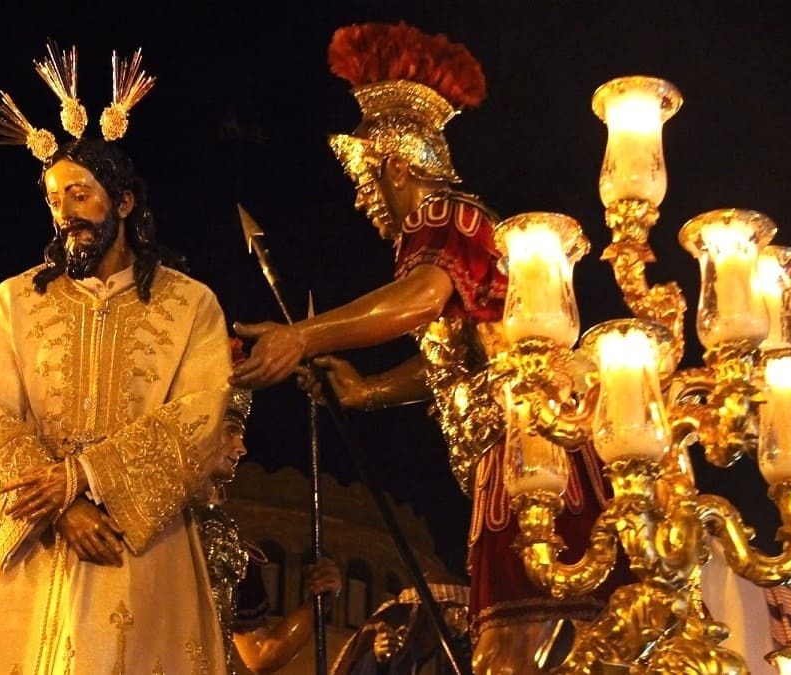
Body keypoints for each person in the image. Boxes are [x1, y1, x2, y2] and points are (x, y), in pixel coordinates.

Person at [231, 22, 626, 673]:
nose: (365, 201)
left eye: (364, 181)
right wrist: (367, 390)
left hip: (530, 450)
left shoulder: (442, 218)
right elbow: (455, 355)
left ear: (393, 166)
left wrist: (302, 334)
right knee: (517, 636)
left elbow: (419, 299)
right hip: (507, 454)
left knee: (524, 642)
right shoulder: (460, 229)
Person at [0, 52, 233, 674]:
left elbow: (199, 418)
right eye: (54, 199)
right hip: (38, 538)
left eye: (81, 193)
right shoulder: (15, 300)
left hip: (139, 546)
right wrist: (61, 504)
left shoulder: (191, 304)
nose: (66, 212)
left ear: (124, 203)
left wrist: (88, 477)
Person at [197, 340, 343, 674]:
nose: (241, 446)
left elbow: (261, 654)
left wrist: (318, 604)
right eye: (231, 431)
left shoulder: (230, 547)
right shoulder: (146, 512)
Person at [330, 577, 471, 675]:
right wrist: (379, 659)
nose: (465, 628)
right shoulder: (395, 620)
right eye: (462, 612)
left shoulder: (420, 652)